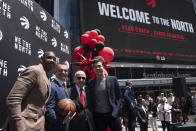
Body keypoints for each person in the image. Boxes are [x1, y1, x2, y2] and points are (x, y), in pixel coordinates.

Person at [6, 51, 57, 131]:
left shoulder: (47, 76)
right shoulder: (34, 71)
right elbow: (13, 99)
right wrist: (19, 126)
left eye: (54, 59)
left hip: (38, 125)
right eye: (49, 57)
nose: (52, 60)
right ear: (41, 59)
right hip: (25, 125)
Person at [86, 57, 122, 131]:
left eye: (99, 66)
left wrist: (116, 112)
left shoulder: (113, 79)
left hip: (112, 114)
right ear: (93, 69)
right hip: (98, 117)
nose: (97, 68)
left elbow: (119, 98)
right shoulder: (91, 83)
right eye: (95, 67)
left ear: (103, 67)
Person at [45, 62, 73, 131]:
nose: (63, 72)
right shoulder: (52, 86)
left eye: (65, 71)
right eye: (60, 70)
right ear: (55, 72)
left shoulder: (65, 86)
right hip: (55, 127)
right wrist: (62, 121)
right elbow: (48, 110)